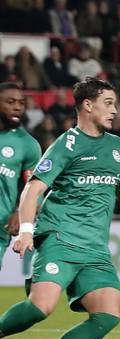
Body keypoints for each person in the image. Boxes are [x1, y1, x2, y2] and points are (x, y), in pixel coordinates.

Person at [2, 77, 120, 339]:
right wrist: (26, 231)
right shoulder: (67, 144)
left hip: (95, 247)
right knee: (41, 307)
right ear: (87, 105)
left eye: (114, 103)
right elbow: (33, 189)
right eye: (108, 103)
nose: (114, 110)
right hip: (60, 237)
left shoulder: (115, 146)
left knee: (108, 314)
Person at [0, 82, 42, 271]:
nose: (17, 106)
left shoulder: (28, 145)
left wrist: (19, 212)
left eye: (21, 102)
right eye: (10, 101)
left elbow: (34, 189)